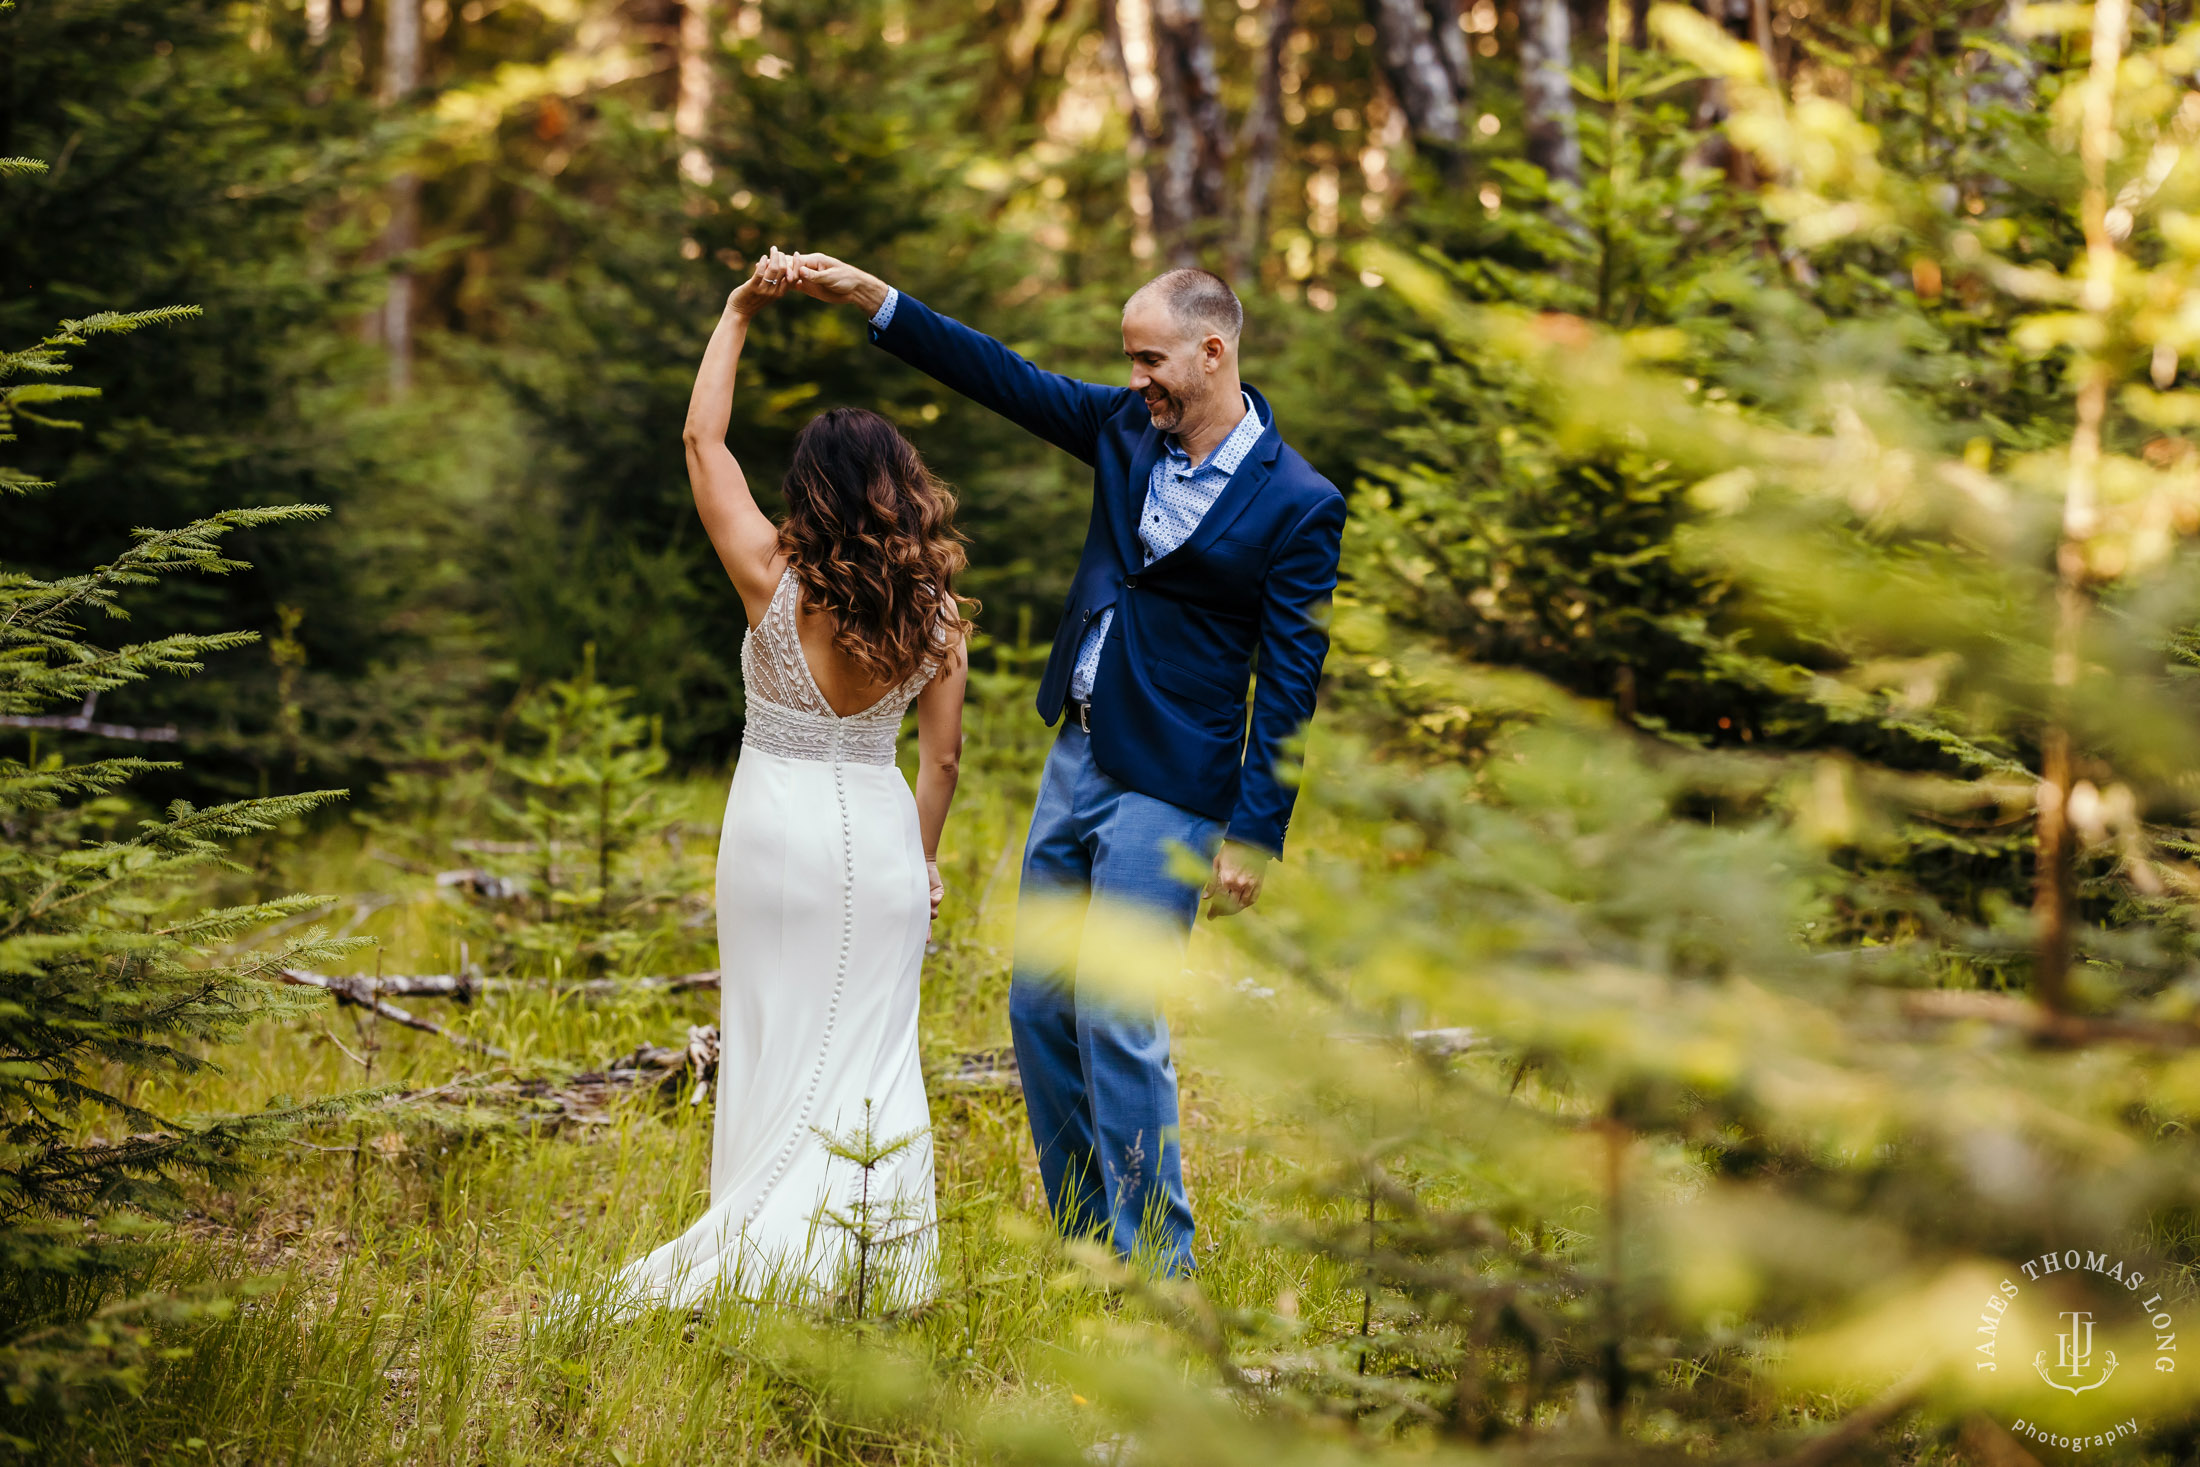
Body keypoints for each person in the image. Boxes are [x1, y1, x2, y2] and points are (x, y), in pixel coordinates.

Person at [791, 255, 1345, 1274]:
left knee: (1115, 1007)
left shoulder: (1300, 503)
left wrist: (1255, 831)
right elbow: (1001, 375)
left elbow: (1293, 679)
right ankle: (1091, 1244)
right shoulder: (1124, 429)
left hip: (1175, 778)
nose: (1135, 379)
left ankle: (1159, 1273)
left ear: (1212, 351)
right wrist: (877, 302)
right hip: (1076, 754)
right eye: (1127, 362)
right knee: (1040, 1004)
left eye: (1149, 360)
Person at [601, 247, 972, 1312]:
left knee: (771, 1031)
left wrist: (736, 313)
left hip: (773, 833)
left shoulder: (771, 578)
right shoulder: (938, 614)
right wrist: (923, 860)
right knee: (873, 1051)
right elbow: (941, 760)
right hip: (880, 833)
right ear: (902, 491)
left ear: (809, 491)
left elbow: (700, 437)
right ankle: (870, 1273)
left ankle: (761, 1258)